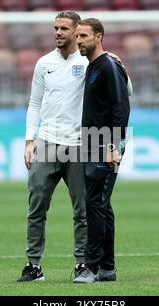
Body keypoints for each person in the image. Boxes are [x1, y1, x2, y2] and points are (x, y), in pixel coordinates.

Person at [17, 11, 131, 282]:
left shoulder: (94, 62)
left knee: (83, 210)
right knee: (36, 206)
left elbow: (121, 93)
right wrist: (29, 139)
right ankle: (33, 266)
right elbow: (34, 103)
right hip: (47, 142)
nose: (59, 33)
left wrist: (116, 63)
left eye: (65, 29)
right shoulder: (43, 63)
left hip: (80, 144)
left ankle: (83, 263)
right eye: (56, 28)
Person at [73, 18, 130, 283]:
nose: (78, 41)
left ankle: (91, 267)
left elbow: (121, 107)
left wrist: (113, 146)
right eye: (77, 36)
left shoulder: (108, 66)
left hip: (104, 145)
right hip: (92, 144)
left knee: (94, 204)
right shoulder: (93, 66)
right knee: (101, 206)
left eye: (83, 35)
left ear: (98, 37)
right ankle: (107, 268)